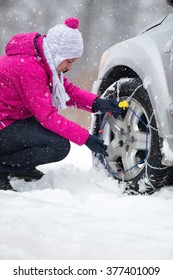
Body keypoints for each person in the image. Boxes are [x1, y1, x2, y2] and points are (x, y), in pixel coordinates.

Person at [0, 17, 120, 191]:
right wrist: (85, 138)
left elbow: (68, 92)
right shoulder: (29, 68)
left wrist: (98, 103)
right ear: (57, 54)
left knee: (51, 140)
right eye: (69, 61)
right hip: (4, 124)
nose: (70, 68)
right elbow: (47, 117)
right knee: (58, 146)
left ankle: (19, 166)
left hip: (10, 119)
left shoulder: (40, 60)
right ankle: (4, 168)